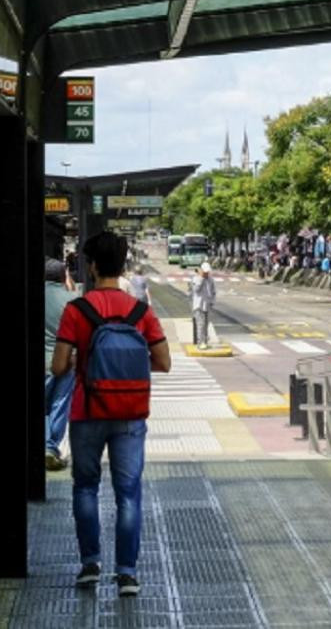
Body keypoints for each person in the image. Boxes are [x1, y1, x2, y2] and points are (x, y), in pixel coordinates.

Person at [52, 231, 170, 596]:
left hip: (87, 410)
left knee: (86, 487)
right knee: (128, 493)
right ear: (122, 267)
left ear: (90, 266)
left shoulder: (77, 310)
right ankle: (127, 573)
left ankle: (90, 564)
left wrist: (80, 359)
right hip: (130, 413)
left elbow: (57, 368)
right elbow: (163, 362)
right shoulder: (140, 311)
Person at [44, 258, 78, 470]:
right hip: (65, 361)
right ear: (63, 276)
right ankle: (50, 447)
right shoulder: (71, 300)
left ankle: (44, 445)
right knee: (59, 404)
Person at [189, 262, 217, 348]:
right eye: (204, 272)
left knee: (206, 324)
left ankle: (204, 341)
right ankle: (200, 342)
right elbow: (196, 290)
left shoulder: (210, 279)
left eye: (207, 272)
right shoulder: (196, 278)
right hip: (198, 305)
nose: (206, 274)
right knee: (200, 324)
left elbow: (213, 291)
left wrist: (212, 301)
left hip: (207, 305)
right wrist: (201, 278)